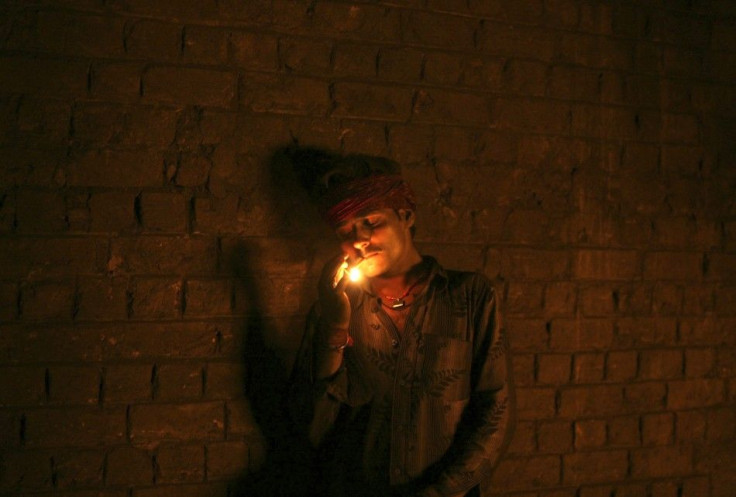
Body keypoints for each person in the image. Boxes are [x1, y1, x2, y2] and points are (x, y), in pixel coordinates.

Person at [288, 151, 513, 497]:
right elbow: (311, 428)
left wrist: (442, 492)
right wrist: (335, 327)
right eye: (346, 230)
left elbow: (494, 410)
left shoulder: (469, 297)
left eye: (371, 221)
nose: (359, 239)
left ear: (405, 215)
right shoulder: (336, 308)